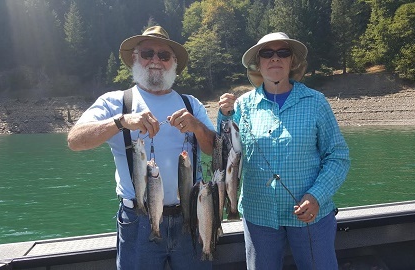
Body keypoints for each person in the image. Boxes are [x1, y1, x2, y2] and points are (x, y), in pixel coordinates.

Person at [67, 26, 215, 270]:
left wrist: (198, 127)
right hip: (138, 219)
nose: (155, 60)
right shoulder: (115, 102)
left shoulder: (191, 104)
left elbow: (213, 149)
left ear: (174, 63)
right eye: (147, 53)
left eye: (164, 55)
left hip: (192, 215)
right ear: (135, 59)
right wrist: (121, 121)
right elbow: (75, 140)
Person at [217, 32, 350, 269]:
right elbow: (225, 152)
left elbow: (338, 157)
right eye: (267, 54)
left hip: (312, 216)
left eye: (283, 53)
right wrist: (223, 116)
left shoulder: (316, 101)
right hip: (259, 216)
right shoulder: (242, 106)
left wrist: (316, 196)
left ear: (292, 61)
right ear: (258, 63)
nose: (274, 58)